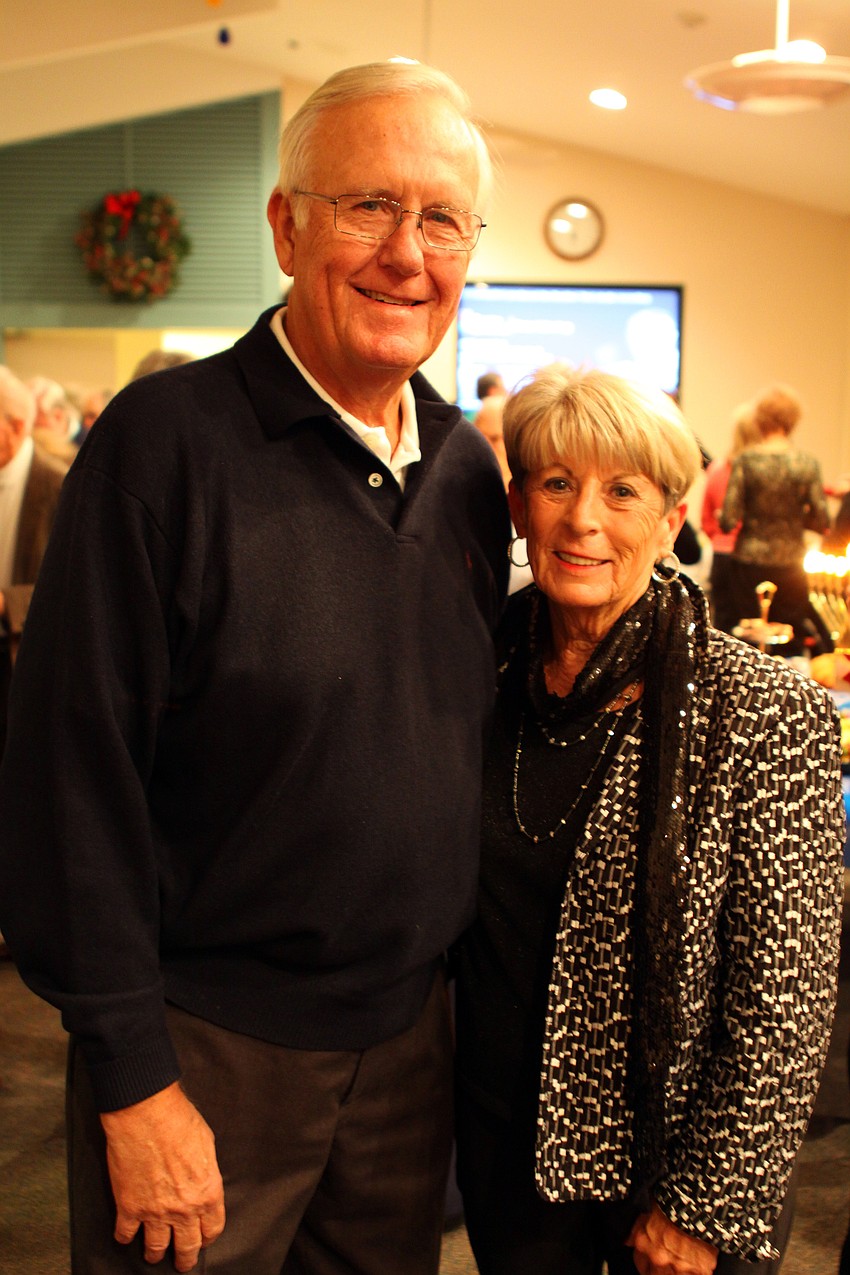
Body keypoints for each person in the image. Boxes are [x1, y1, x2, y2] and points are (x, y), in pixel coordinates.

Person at [0, 60, 508, 1275]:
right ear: (287, 228)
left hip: (405, 1062)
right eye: (368, 207)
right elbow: (73, 782)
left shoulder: (469, 477)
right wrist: (132, 1078)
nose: (407, 253)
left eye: (441, 219)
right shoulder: (161, 451)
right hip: (206, 1053)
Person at [453, 363, 844, 1275]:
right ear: (519, 506)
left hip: (672, 1172)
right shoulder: (480, 671)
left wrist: (705, 1202)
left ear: (673, 521)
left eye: (622, 491)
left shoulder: (758, 708)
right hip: (508, 1151)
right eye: (557, 484)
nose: (585, 519)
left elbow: (784, 1002)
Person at [719, 382, 829, 653]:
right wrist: (792, 517)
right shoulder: (807, 463)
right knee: (789, 642)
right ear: (793, 420)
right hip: (791, 563)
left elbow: (728, 520)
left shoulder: (746, 462)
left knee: (747, 643)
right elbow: (822, 520)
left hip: (748, 562)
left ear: (759, 419)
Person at [0, 367, 69, 745]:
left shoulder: (61, 485)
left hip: (25, 661)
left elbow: (75, 589)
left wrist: (6, 602)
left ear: (16, 425)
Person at [700, 403, 760, 632]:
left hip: (720, 558)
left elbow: (706, 521)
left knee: (724, 630)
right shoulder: (760, 474)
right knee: (756, 634)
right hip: (751, 562)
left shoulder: (716, 469)